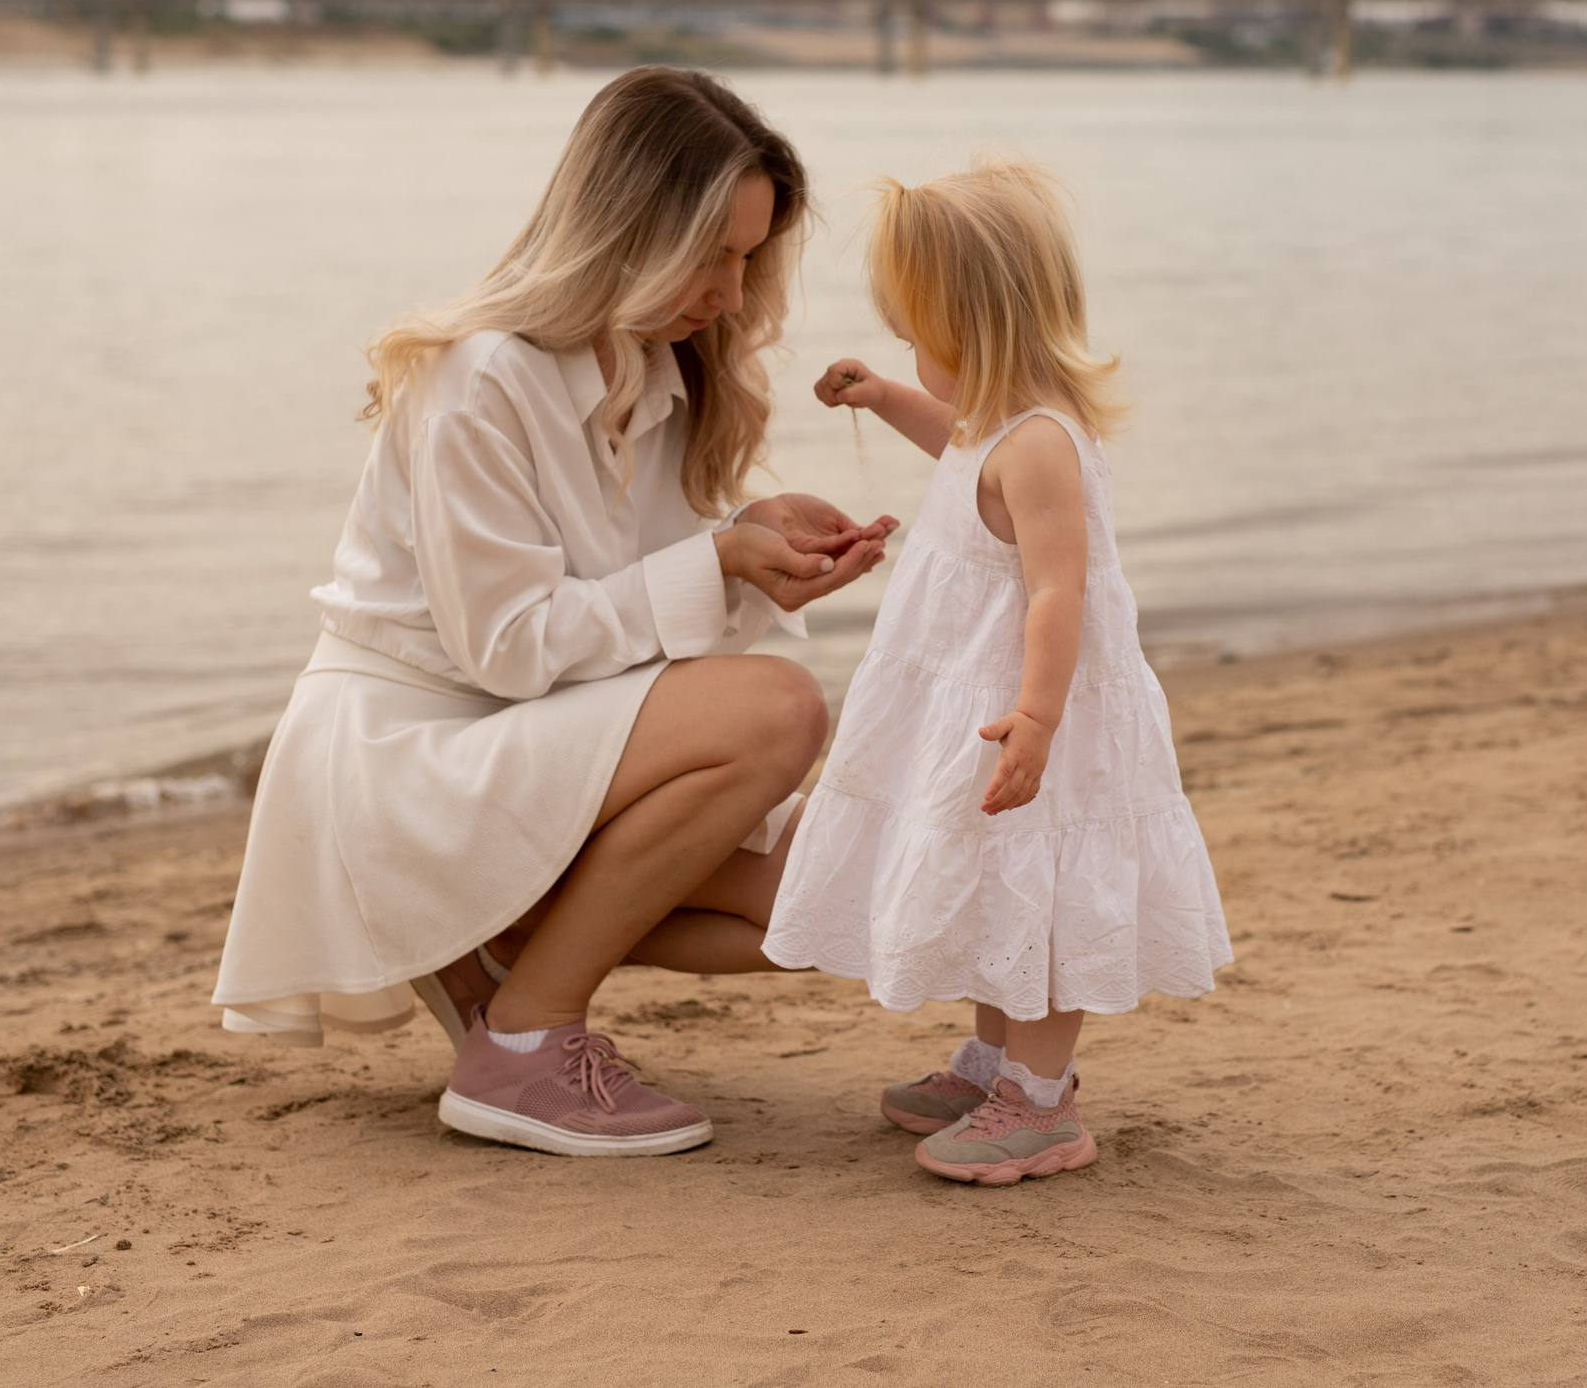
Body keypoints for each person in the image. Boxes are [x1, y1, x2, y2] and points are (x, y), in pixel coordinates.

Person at [211, 67, 894, 1157]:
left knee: (847, 890)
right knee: (778, 709)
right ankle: (524, 1042)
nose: (730, 289)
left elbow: (614, 629)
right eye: (712, 253)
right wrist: (714, 559)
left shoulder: (662, 377)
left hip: (516, 739)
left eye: (748, 259)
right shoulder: (479, 378)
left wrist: (745, 545)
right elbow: (513, 647)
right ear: (626, 230)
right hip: (409, 757)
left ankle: (507, 957)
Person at [762, 160, 1231, 1185]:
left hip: (1028, 705)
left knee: (1040, 886)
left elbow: (1059, 594)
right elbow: (961, 454)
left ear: (973, 327)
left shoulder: (1044, 447)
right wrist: (887, 397)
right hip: (976, 696)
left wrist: (1036, 717)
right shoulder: (998, 423)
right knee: (990, 883)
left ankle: (1042, 1099)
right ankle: (992, 1063)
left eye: (914, 341)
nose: (908, 355)